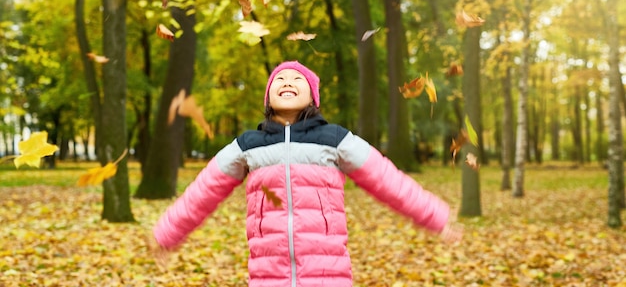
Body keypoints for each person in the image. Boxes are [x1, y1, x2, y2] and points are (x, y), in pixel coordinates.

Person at [151, 60, 463, 286]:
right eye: (279, 79)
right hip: (267, 273)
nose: (287, 82)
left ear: (313, 97)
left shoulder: (335, 138)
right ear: (268, 97)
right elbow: (203, 191)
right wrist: (167, 233)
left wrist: (434, 216)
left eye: (297, 79)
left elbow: (387, 180)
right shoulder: (248, 145)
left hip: (327, 273)